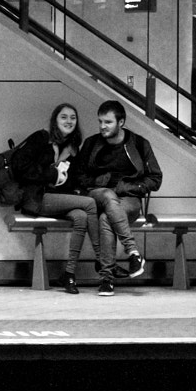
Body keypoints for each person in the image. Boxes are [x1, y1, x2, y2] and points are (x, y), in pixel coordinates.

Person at [70, 100, 163, 296]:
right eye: (100, 122)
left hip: (128, 198)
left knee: (106, 219)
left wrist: (128, 187)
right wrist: (99, 181)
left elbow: (155, 179)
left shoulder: (139, 143)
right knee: (107, 194)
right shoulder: (92, 144)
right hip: (98, 194)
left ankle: (106, 279)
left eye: (108, 122)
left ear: (121, 122)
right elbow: (77, 175)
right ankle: (133, 252)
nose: (103, 126)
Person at [23, 102, 99, 294]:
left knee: (81, 216)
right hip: (39, 198)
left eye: (73, 118)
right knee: (90, 204)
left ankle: (69, 273)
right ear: (55, 120)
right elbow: (23, 168)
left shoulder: (72, 147)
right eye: (64, 117)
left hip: (60, 199)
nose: (69, 121)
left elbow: (74, 179)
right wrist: (51, 174)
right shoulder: (41, 138)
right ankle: (103, 259)